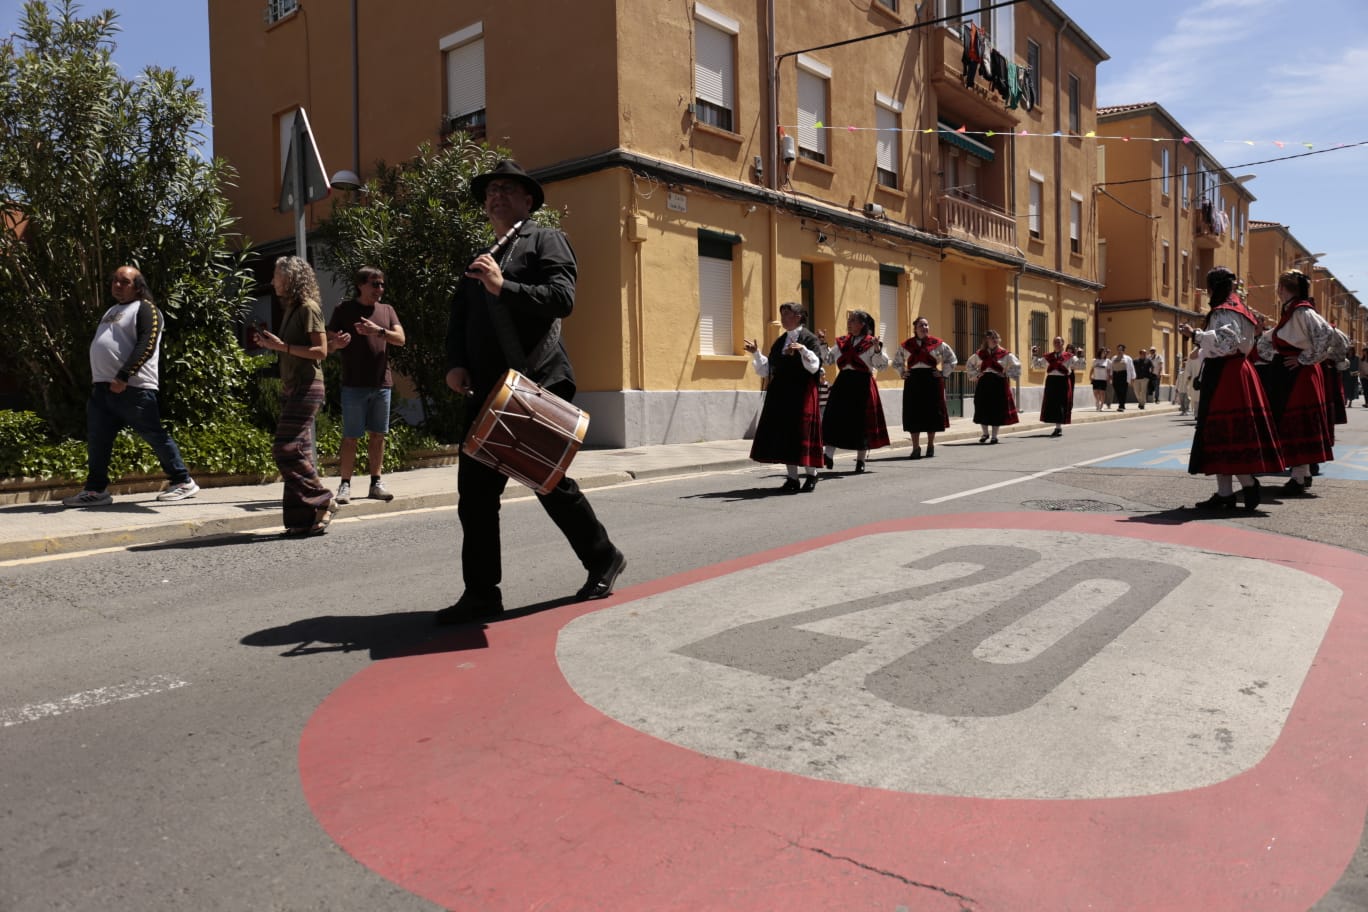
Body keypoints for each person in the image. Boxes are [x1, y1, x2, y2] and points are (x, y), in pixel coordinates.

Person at [441, 160, 624, 623]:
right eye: (490, 192)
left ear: (528, 200)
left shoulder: (546, 240)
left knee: (548, 482)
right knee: (476, 494)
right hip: (487, 387)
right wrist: (456, 363)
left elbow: (562, 299)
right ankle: (482, 594)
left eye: (506, 189)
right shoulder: (483, 253)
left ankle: (603, 557)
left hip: (536, 378)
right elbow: (461, 315)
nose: (496, 196)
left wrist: (505, 286)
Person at [62, 266, 201, 507]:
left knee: (153, 435)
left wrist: (123, 376)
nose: (117, 285)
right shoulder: (112, 310)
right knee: (98, 439)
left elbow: (147, 344)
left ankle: (182, 481)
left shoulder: (147, 309)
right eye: (114, 281)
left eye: (124, 282)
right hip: (103, 389)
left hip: (133, 388)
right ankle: (96, 491)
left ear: (138, 286)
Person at [1179, 266, 1282, 510]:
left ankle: (1246, 485)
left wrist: (1195, 334)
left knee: (1224, 433)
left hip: (1226, 375)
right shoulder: (1242, 309)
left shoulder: (1223, 311)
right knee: (1227, 434)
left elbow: (1226, 342)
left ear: (1213, 288)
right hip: (1238, 372)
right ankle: (1226, 492)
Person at [251, 256, 336, 535]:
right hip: (293, 386)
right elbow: (290, 348)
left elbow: (320, 351)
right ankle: (301, 519)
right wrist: (270, 344)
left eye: (276, 275)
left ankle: (324, 499)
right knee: (302, 451)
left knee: (285, 448)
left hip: (307, 386)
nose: (273, 280)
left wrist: (283, 347)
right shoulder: (291, 309)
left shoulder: (308, 308)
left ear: (290, 278)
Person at [326, 265, 406, 504]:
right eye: (374, 284)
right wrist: (336, 345)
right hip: (353, 385)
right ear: (361, 285)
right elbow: (327, 345)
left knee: (378, 436)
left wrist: (378, 331)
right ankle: (345, 485)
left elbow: (401, 339)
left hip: (382, 383)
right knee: (351, 437)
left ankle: (376, 483)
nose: (379, 289)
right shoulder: (344, 310)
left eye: (382, 284)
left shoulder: (387, 310)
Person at [1253, 270, 1334, 497]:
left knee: (1296, 423)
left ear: (1282, 289)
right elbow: (1272, 341)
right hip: (1293, 374)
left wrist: (1303, 358)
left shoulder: (1301, 310)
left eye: (1278, 287)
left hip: (1298, 376)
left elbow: (1326, 333)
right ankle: (1303, 473)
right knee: (1298, 423)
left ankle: (1298, 477)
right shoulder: (1292, 312)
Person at [744, 302, 824, 491]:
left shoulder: (809, 339)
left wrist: (802, 350)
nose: (783, 318)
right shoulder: (780, 341)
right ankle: (792, 478)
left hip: (802, 392)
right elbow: (768, 369)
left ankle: (812, 475)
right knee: (786, 434)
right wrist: (756, 354)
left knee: (802, 433)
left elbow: (815, 365)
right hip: (781, 393)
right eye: (782, 314)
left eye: (787, 314)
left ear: (798, 317)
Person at [816, 310, 890, 473]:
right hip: (843, 383)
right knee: (833, 417)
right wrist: (822, 342)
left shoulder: (872, 342)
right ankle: (828, 455)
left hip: (862, 384)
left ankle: (861, 460)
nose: (849, 323)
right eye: (848, 320)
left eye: (852, 320)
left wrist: (877, 349)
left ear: (862, 324)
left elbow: (882, 366)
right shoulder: (843, 342)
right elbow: (828, 360)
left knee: (860, 422)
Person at [891, 316, 957, 458]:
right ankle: (915, 448)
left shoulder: (938, 343)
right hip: (913, 380)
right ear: (915, 328)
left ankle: (930, 445)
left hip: (932, 380)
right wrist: (902, 373)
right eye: (921, 325)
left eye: (926, 325)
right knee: (913, 413)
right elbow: (896, 361)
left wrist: (942, 373)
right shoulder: (906, 345)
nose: (925, 327)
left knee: (931, 413)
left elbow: (952, 359)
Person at [965, 329, 1020, 444]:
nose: (994, 340)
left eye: (996, 337)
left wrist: (1006, 373)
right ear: (987, 340)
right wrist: (976, 375)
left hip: (998, 383)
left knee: (997, 408)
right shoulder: (980, 354)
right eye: (992, 338)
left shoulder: (1005, 354)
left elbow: (1017, 366)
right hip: (984, 382)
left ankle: (994, 436)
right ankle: (985, 433)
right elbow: (969, 365)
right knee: (981, 406)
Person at [1031, 336, 1085, 436]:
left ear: (1063, 343)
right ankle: (1057, 426)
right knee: (1052, 403)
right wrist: (1034, 354)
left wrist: (1081, 355)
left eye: (1059, 342)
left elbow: (1080, 366)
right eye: (1055, 342)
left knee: (1061, 403)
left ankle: (1058, 427)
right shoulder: (1048, 356)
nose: (1057, 343)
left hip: (1063, 381)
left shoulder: (1069, 356)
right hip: (1051, 381)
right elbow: (1037, 365)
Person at [1110, 344, 1135, 411]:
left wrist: (1133, 377)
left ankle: (1121, 405)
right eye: (1118, 349)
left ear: (1123, 350)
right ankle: (1121, 403)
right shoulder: (1114, 358)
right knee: (1117, 389)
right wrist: (1111, 375)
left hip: (1123, 374)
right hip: (1116, 374)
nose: (1119, 351)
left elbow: (1131, 368)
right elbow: (1111, 368)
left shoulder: (1128, 358)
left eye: (1120, 349)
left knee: (1123, 390)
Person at [1090, 346, 1111, 411]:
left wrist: (1109, 377)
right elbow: (1092, 369)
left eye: (1105, 352)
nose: (1104, 353)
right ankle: (1097, 401)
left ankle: (1102, 405)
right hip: (1096, 378)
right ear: (1100, 352)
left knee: (1102, 392)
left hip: (1103, 379)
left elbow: (1109, 370)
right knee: (1095, 392)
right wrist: (1090, 376)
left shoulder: (1107, 361)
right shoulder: (1095, 360)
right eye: (1103, 351)